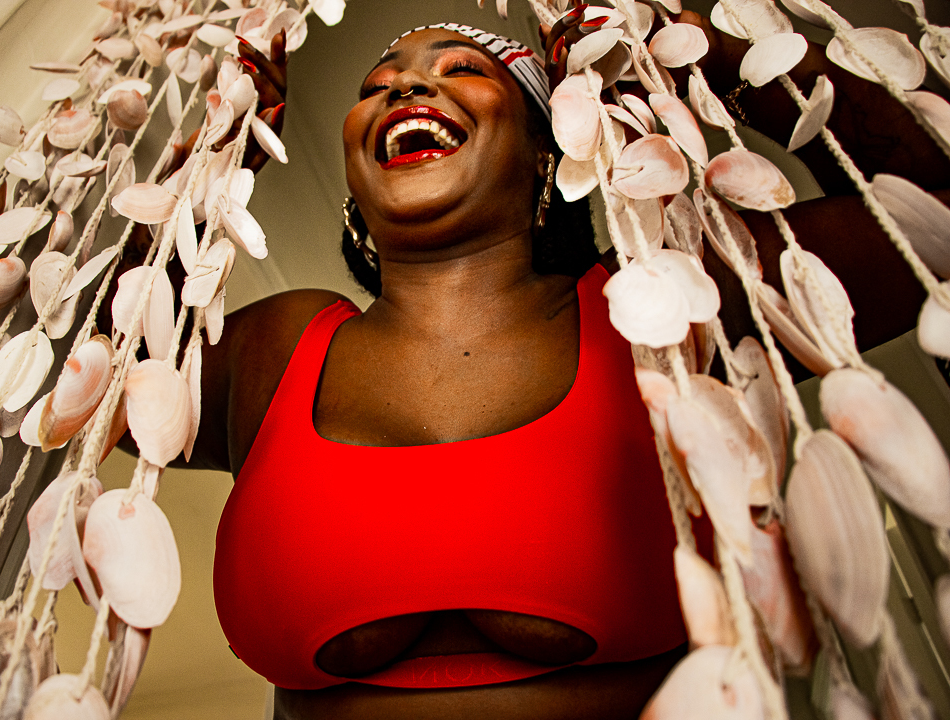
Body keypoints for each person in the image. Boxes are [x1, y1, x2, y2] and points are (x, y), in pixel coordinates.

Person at [143, 8, 946, 719]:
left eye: (462, 69)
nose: (405, 87)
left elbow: (931, 208)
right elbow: (111, 382)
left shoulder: (661, 305)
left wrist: (689, 51)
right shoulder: (279, 348)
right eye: (378, 85)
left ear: (544, 151)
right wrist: (217, 153)